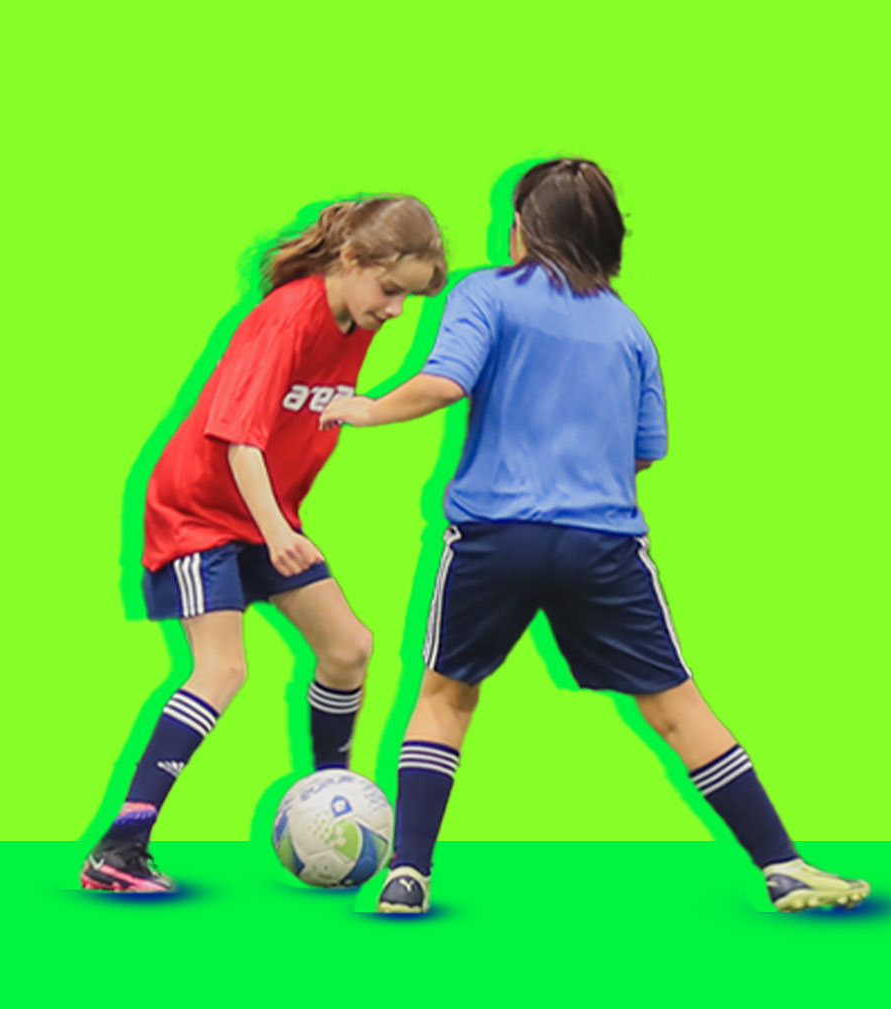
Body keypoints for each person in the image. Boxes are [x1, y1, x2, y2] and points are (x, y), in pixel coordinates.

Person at [321, 158, 870, 914]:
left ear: (523, 230)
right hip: (602, 545)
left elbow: (447, 381)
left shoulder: (486, 293)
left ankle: (408, 874)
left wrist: (367, 408)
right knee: (678, 709)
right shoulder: (629, 329)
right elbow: (642, 452)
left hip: (495, 535)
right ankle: (783, 864)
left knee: (445, 696)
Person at [81, 197, 447, 893]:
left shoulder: (356, 319)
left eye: (409, 296)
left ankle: (330, 805)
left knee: (348, 649)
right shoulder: (288, 317)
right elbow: (238, 438)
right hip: (198, 512)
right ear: (350, 259)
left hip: (262, 515)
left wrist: (279, 521)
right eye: (390, 289)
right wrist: (278, 533)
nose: (398, 309)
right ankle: (119, 846)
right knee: (221, 669)